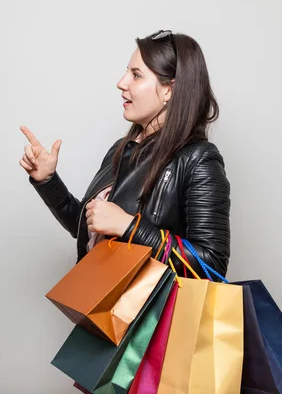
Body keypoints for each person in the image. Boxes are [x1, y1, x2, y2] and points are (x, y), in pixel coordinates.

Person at [19, 30, 230, 279]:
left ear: (168, 91)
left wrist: (129, 227)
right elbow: (90, 225)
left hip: (150, 316)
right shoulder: (123, 148)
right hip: (98, 306)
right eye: (127, 72)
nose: (121, 83)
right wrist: (47, 180)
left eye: (136, 75)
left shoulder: (199, 160)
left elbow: (212, 265)